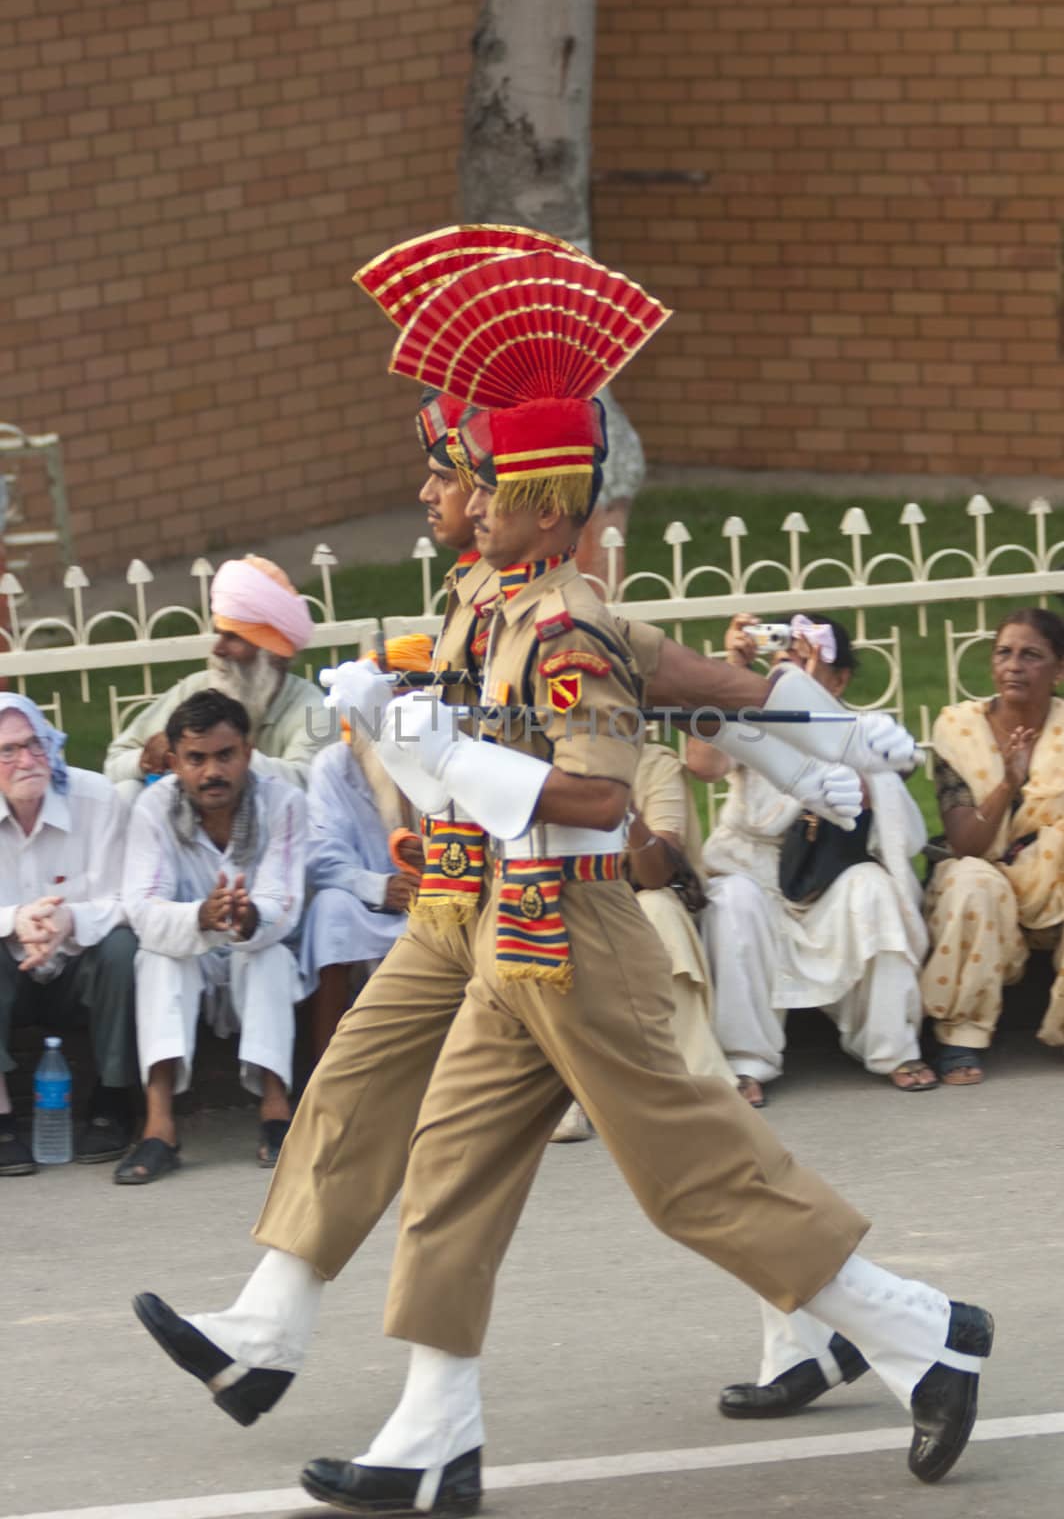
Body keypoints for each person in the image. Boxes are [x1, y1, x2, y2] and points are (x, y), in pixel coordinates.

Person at [127, 231, 922, 1447]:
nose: (440, 497)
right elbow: (692, 680)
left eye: (458, 477)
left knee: (685, 1169)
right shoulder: (483, 599)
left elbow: (602, 788)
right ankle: (292, 1343)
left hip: (564, 920)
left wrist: (444, 750)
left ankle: (910, 1326)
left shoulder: (562, 626)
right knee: (382, 1111)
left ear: (526, 494)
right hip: (469, 906)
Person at [693, 613, 933, 1106]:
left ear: (839, 680)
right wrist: (732, 669)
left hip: (826, 882)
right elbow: (702, 763)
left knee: (874, 888)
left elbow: (897, 825)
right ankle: (746, 1060)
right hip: (752, 872)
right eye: (783, 664)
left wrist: (864, 782)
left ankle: (893, 1047)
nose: (791, 678)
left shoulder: (857, 731)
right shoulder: (748, 718)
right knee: (734, 902)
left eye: (806, 663)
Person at [117, 689, 307, 1183]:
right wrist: (200, 918)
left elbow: (283, 899)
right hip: (189, 949)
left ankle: (276, 1110)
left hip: (254, 946)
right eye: (196, 759)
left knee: (267, 958)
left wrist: (247, 918)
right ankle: (159, 1126)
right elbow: (142, 906)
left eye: (225, 756)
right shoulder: (152, 807)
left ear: (247, 752)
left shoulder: (283, 803)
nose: (212, 772)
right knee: (156, 958)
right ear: (175, 762)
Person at [553, 739, 737, 1143]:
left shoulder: (653, 763)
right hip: (566, 899)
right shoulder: (537, 764)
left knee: (658, 910)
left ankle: (694, 1079)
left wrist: (625, 812)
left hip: (637, 896)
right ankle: (572, 1094)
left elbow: (656, 872)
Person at [921, 606, 1064, 1083]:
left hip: (1055, 880)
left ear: (1059, 669)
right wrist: (1009, 781)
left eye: (1031, 656)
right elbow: (965, 843)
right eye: (1004, 653)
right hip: (982, 868)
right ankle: (960, 1036)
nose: (1014, 666)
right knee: (972, 881)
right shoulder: (959, 729)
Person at [0, 695, 138, 1178]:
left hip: (82, 971)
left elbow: (128, 898)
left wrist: (68, 922)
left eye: (34, 744)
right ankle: (0, 1119)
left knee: (123, 947)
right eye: (7, 752)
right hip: (9, 976)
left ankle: (113, 1100)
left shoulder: (97, 798)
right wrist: (15, 919)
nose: (26, 761)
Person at [301, 641, 434, 1058]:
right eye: (386, 698)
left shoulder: (453, 755)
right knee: (330, 911)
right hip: (373, 909)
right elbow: (323, 858)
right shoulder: (335, 765)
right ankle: (326, 1065)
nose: (396, 709)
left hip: (449, 899)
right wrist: (380, 887)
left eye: (406, 696)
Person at [104, 554, 325, 797]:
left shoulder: (316, 710)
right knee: (126, 791)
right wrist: (146, 759)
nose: (217, 650)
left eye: (233, 638)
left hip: (274, 829)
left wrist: (215, 749)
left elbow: (308, 784)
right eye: (219, 635)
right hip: (186, 826)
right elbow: (113, 764)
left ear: (271, 650)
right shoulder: (196, 689)